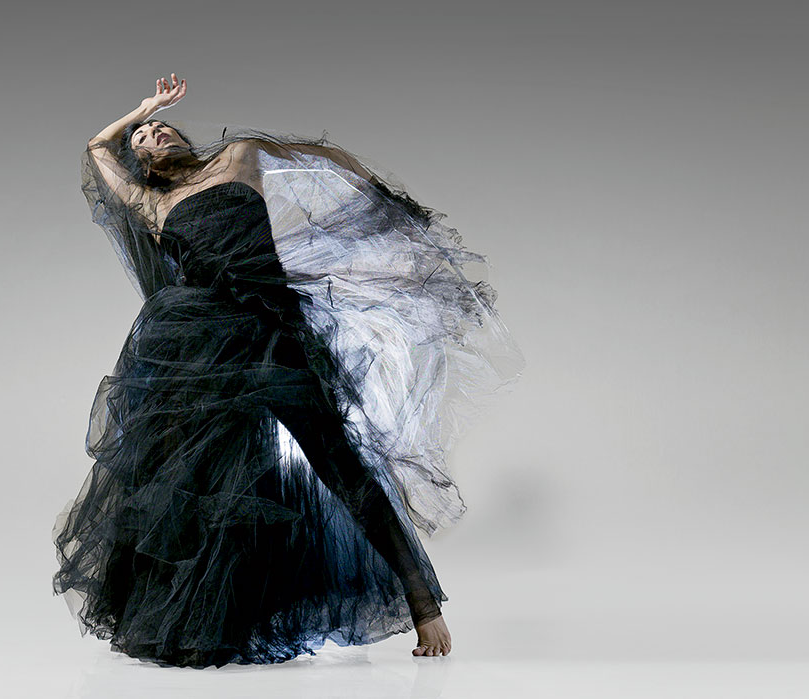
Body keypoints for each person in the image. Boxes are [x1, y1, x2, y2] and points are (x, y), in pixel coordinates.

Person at [52, 73, 524, 669]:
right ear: (139, 159)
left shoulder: (236, 159)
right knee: (195, 483)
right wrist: (139, 107)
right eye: (145, 135)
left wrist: (373, 194)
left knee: (339, 461)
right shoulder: (151, 203)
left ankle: (423, 603)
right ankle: (189, 619)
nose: (156, 132)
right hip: (194, 342)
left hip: (272, 331)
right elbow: (98, 149)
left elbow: (319, 159)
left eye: (163, 125)